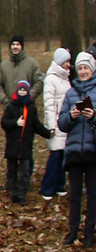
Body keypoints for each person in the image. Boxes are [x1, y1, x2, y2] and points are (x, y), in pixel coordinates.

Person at [58, 52, 96, 247]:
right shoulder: (70, 93)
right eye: (80, 68)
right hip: (73, 152)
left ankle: (89, 233)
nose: (83, 71)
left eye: (86, 68)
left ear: (92, 69)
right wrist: (72, 116)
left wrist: (93, 116)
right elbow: (61, 124)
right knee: (74, 195)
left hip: (93, 152)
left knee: (92, 195)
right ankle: (72, 231)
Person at [0, 80, 49, 205]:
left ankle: (22, 195)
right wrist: (15, 123)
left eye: (24, 90)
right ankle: (13, 193)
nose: (22, 92)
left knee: (25, 172)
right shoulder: (10, 107)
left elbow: (36, 125)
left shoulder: (31, 108)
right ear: (17, 91)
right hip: (12, 146)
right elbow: (4, 123)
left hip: (25, 146)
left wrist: (48, 134)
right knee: (11, 171)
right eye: (20, 89)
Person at [40, 48, 71, 200]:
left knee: (63, 156)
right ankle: (47, 187)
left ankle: (60, 184)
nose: (69, 65)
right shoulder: (50, 79)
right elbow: (49, 105)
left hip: (65, 123)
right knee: (55, 156)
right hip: (56, 124)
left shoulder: (66, 79)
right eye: (66, 62)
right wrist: (52, 126)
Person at [0, 35, 42, 105]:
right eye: (13, 44)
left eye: (18, 44)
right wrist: (4, 100)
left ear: (22, 47)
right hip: (9, 109)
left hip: (27, 108)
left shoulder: (32, 64)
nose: (15, 47)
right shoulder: (4, 65)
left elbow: (39, 83)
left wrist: (28, 97)